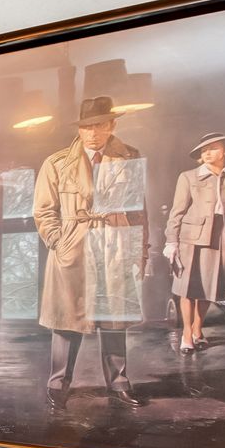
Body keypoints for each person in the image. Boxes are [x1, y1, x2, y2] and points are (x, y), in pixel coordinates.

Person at [32, 93, 151, 410]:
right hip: (74, 245)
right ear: (79, 129)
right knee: (67, 318)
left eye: (100, 125)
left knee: (114, 316)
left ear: (112, 126)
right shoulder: (57, 163)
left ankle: (119, 382)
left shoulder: (129, 158)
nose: (93, 132)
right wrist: (58, 240)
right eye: (87, 126)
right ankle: (58, 383)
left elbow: (139, 211)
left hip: (115, 245)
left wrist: (140, 251)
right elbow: (43, 211)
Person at [164, 132, 225, 354]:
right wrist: (171, 241)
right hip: (191, 238)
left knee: (209, 288)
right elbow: (176, 212)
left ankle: (197, 329)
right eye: (204, 150)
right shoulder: (188, 177)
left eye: (213, 148)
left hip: (222, 237)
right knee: (187, 289)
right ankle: (186, 333)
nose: (207, 153)